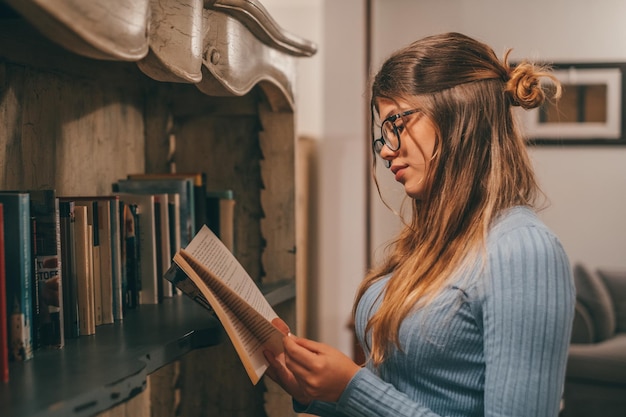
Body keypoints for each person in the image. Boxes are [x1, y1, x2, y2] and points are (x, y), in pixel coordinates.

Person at [264, 32, 575, 417]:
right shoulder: (429, 242)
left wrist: (350, 389)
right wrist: (319, 394)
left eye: (396, 123)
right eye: (383, 133)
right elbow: (408, 392)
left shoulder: (524, 251)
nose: (388, 150)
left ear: (458, 114)